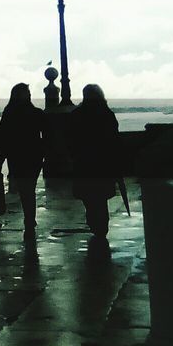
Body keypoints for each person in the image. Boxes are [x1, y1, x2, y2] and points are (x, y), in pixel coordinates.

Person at [68, 84, 119, 239]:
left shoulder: (77, 114)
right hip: (103, 161)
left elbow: (70, 138)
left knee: (88, 196)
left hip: (83, 161)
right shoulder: (106, 113)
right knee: (101, 197)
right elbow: (114, 139)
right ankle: (102, 225)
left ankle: (93, 222)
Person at [0, 83, 46, 233]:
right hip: (34, 156)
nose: (30, 94)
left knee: (25, 189)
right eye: (28, 92)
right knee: (29, 188)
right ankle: (30, 219)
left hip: (16, 156)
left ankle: (29, 219)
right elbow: (46, 134)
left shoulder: (9, 112)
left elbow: (3, 137)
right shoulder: (36, 113)